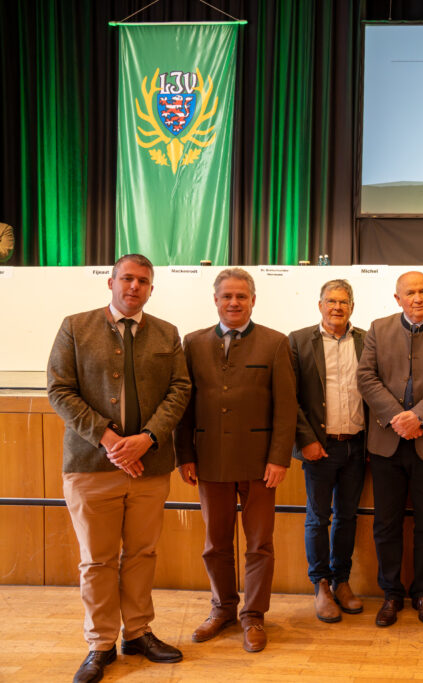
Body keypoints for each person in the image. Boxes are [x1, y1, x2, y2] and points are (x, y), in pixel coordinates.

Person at [47, 254, 190, 683]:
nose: (134, 286)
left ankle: (138, 632)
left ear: (151, 288)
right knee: (97, 561)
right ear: (110, 281)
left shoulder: (167, 333)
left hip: (150, 466)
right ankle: (100, 644)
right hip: (92, 464)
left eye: (143, 281)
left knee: (142, 554)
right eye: (127, 278)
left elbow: (180, 389)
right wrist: (109, 439)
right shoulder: (76, 326)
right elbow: (58, 388)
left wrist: (147, 438)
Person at [174, 268, 297, 653]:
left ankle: (254, 616)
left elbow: (286, 408)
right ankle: (222, 608)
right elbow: (183, 405)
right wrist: (185, 455)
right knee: (215, 543)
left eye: (241, 296)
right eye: (227, 296)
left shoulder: (275, 343)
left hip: (261, 465)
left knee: (260, 544)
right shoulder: (192, 344)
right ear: (215, 300)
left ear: (253, 300)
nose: (234, 302)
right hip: (210, 461)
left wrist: (279, 458)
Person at [355, 271, 423, 627]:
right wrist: (395, 417)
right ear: (397, 298)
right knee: (386, 524)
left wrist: (418, 416)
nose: (417, 298)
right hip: (387, 443)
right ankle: (391, 594)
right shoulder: (378, 328)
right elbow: (366, 377)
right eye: (410, 293)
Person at [289, 279, 366, 623]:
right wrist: (306, 439)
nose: (337, 307)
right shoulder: (299, 341)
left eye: (343, 301)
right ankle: (320, 585)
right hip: (319, 447)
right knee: (319, 518)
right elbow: (290, 397)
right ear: (319, 305)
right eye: (331, 301)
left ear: (352, 306)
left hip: (357, 445)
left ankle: (342, 581)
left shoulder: (366, 341)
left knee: (347, 517)